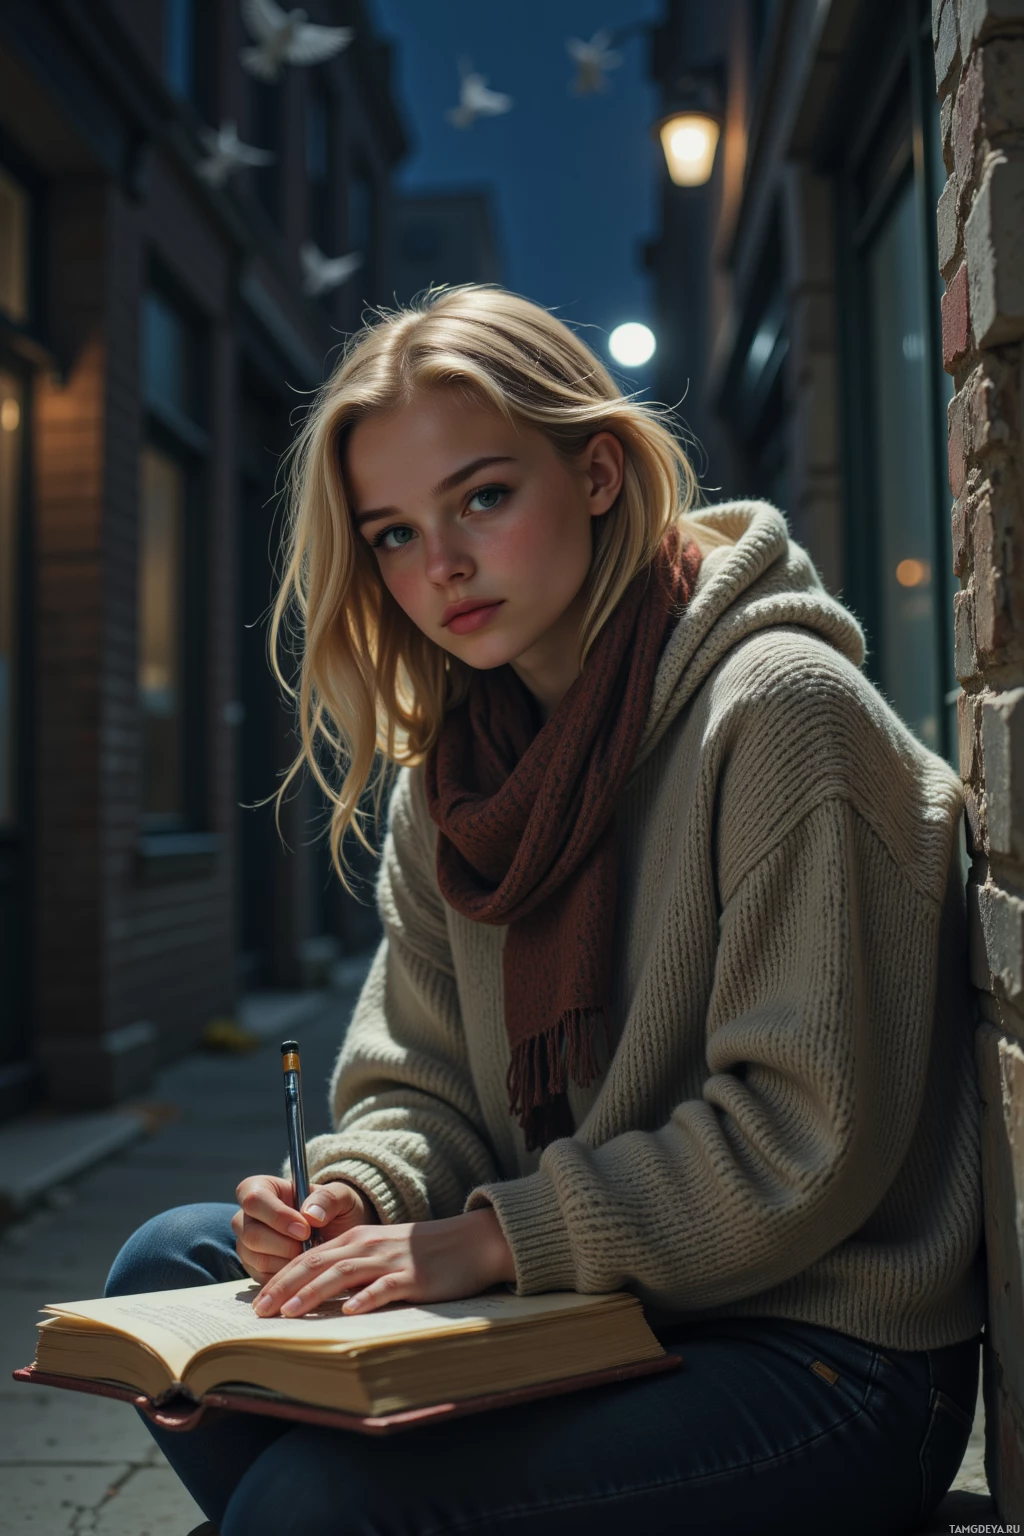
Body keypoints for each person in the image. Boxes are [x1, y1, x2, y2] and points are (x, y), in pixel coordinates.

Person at [106, 286, 984, 1536]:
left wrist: (487, 1243)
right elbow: (422, 1086)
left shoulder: (780, 710)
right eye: (393, 535)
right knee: (171, 1266)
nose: (443, 566)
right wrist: (359, 1196)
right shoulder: (457, 777)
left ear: (600, 473)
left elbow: (804, 1137)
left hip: (820, 1357)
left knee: (311, 1503)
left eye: (481, 497)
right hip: (591, 1305)